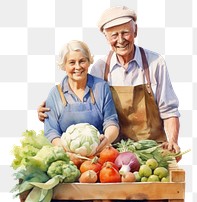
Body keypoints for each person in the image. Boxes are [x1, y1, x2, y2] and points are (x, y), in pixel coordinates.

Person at [38, 6, 180, 154]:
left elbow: (169, 110)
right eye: (114, 35)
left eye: (125, 33)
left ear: (135, 31)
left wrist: (173, 142)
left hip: (153, 148)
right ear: (106, 38)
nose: (120, 40)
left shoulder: (155, 63)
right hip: (116, 151)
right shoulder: (100, 68)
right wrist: (49, 112)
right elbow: (86, 103)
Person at [43, 40, 119, 153]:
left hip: (100, 154)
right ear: (64, 65)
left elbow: (111, 121)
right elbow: (51, 131)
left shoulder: (101, 87)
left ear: (89, 62)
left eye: (82, 61)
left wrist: (106, 140)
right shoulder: (55, 93)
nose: (78, 67)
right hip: (68, 157)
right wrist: (67, 152)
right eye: (72, 62)